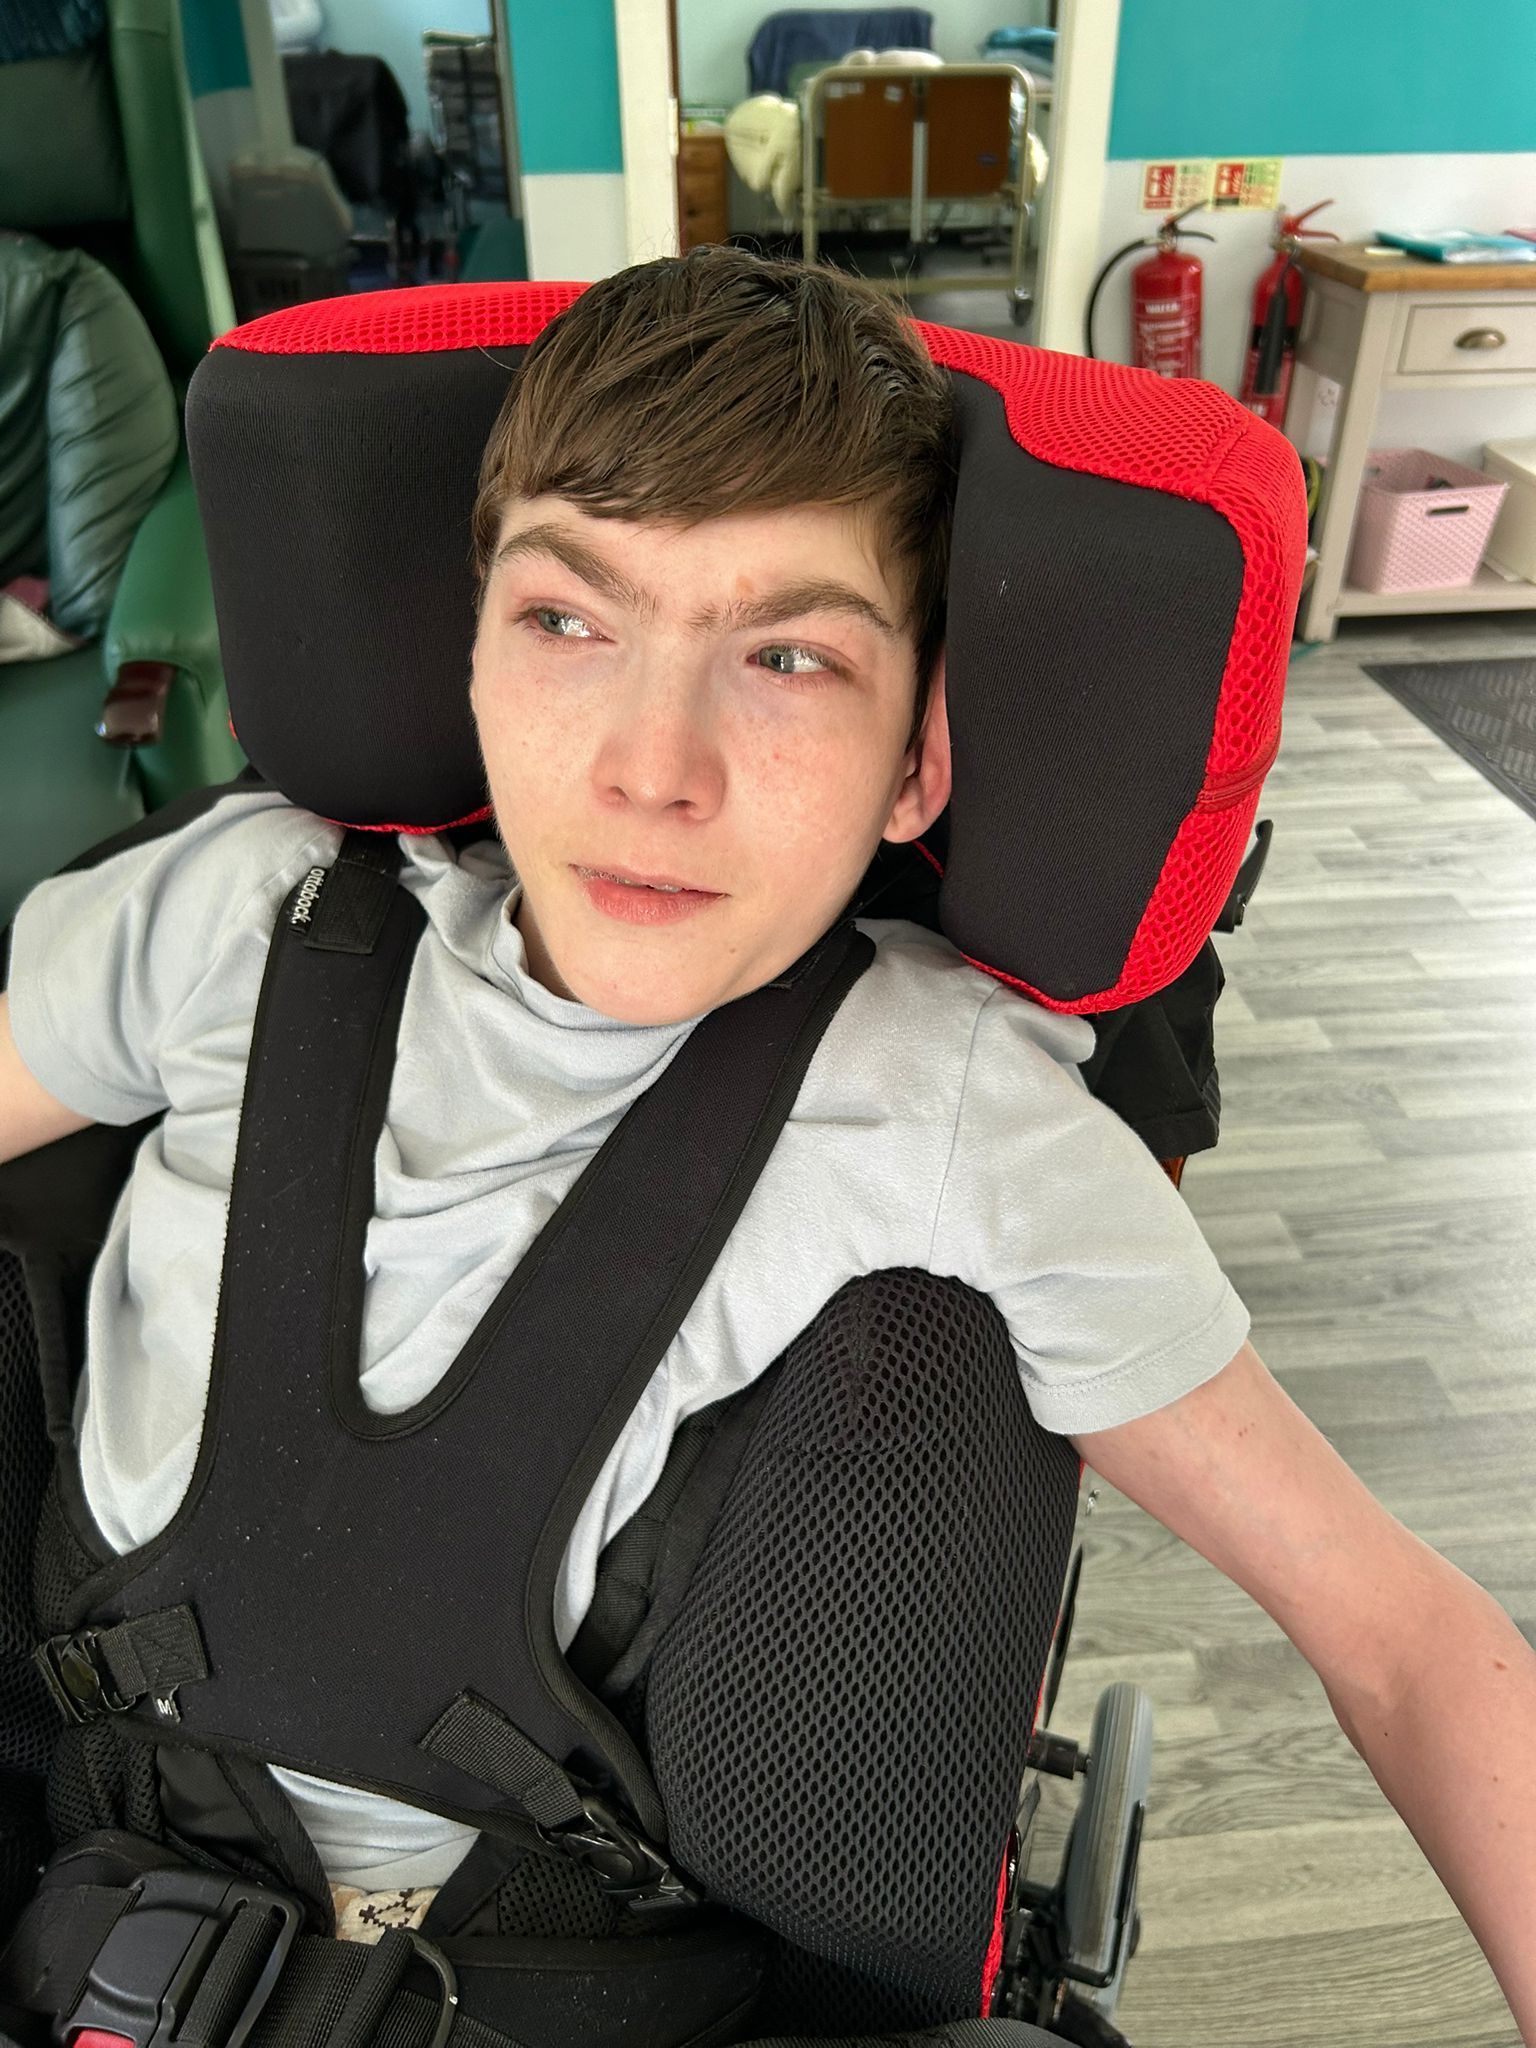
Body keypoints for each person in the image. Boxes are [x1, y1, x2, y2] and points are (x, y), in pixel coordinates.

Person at [0, 247, 1532, 2037]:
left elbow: (1410, 1643)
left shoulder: (945, 1103)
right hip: (84, 1924)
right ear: (473, 658)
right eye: (570, 620)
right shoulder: (222, 921)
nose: (655, 763)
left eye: (790, 655)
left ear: (915, 764)